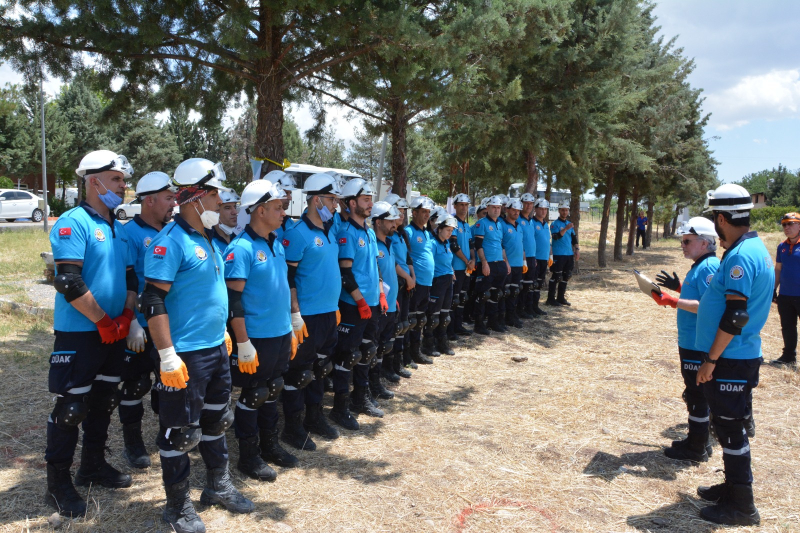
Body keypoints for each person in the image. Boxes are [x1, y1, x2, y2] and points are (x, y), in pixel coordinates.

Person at [144, 158, 253, 533]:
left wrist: (223, 331)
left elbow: (209, 294)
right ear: (197, 197)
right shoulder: (170, 242)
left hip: (214, 349)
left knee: (216, 420)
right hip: (184, 356)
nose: (223, 202)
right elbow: (153, 302)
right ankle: (177, 508)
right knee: (179, 432)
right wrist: (167, 356)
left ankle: (217, 486)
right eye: (217, 194)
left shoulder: (207, 238)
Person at [46, 150, 136, 517]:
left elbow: (130, 277)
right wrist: (102, 320)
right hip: (81, 333)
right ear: (93, 180)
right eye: (116, 179)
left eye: (123, 180)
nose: (122, 186)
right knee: (71, 408)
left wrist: (126, 316)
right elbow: (67, 281)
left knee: (104, 401)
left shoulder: (118, 226)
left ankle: (92, 466)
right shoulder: (73, 222)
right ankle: (57, 485)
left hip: (114, 333)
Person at [692, 183, 773, 526]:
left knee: (730, 429)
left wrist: (710, 360)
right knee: (728, 426)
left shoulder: (740, 256)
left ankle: (742, 505)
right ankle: (732, 488)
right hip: (738, 355)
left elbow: (736, 315)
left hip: (731, 357)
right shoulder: (753, 247)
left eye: (715, 219)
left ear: (722, 218)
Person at [225, 180, 300, 482]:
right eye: (279, 207)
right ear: (259, 210)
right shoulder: (241, 249)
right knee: (253, 394)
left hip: (279, 333)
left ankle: (271, 446)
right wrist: (243, 343)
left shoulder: (275, 243)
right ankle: (249, 456)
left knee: (273, 389)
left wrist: (292, 325)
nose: (284, 212)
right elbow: (234, 301)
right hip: (255, 337)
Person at [281, 172, 343, 452]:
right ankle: (292, 428)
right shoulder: (297, 233)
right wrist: (295, 312)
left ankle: (314, 417)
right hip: (307, 317)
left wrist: (336, 306)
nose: (335, 205)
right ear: (316, 199)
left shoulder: (329, 230)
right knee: (299, 373)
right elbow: (288, 277)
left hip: (329, 314)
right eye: (332, 199)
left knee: (320, 367)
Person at [119, 171, 177, 470]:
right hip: (140, 327)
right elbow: (125, 282)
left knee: (168, 385)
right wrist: (131, 321)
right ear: (149, 200)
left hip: (168, 325)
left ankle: (167, 437)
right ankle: (133, 442)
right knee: (134, 385)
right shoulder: (127, 234)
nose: (174, 204)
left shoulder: (173, 232)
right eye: (168, 198)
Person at [650, 217, 720, 462]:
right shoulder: (700, 266)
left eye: (687, 241)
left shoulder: (709, 267)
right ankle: (697, 440)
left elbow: (708, 306)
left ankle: (697, 448)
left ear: (704, 243)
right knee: (694, 393)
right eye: (682, 241)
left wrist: (672, 300)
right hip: (691, 340)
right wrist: (679, 287)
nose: (683, 245)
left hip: (696, 343)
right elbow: (700, 295)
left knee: (696, 394)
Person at [331, 178, 387, 428]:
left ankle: (360, 398)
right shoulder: (347, 234)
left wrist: (381, 293)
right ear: (351, 203)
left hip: (372, 303)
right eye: (366, 200)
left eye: (371, 200)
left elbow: (374, 265)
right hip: (354, 306)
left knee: (367, 351)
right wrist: (361, 302)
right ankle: (339, 409)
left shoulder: (370, 232)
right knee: (347, 356)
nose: (370, 204)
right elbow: (346, 274)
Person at [371, 201, 402, 398]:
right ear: (379, 222)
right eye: (390, 221)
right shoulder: (372, 243)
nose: (395, 224)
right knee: (371, 349)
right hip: (377, 306)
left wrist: (394, 298)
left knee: (383, 346)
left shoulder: (390, 242)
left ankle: (377, 383)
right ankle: (370, 387)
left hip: (391, 304)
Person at [385, 193, 416, 377]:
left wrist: (412, 276)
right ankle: (387, 367)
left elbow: (406, 258)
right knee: (394, 326)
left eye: (404, 211)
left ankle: (398, 363)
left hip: (406, 283)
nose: (402, 215)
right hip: (396, 283)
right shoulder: (387, 237)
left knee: (403, 324)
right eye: (399, 211)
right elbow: (394, 263)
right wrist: (407, 276)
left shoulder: (401, 235)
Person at [472, 195, 509, 334]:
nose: (496, 210)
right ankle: (478, 324)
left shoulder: (499, 224)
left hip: (500, 263)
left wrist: (506, 263)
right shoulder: (481, 223)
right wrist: (484, 263)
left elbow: (501, 245)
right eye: (493, 207)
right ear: (487, 208)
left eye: (498, 207)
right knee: (483, 294)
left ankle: (493, 322)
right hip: (488, 264)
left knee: (496, 294)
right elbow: (478, 245)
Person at [406, 196, 436, 363]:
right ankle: (407, 355)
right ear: (414, 212)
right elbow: (404, 257)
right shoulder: (409, 232)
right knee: (411, 321)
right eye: (423, 212)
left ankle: (416, 352)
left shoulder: (426, 233)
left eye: (428, 212)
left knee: (420, 320)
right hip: (415, 284)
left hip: (427, 283)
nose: (426, 215)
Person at [771, 212, 800, 366]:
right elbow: (778, 270)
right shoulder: (781, 246)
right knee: (787, 327)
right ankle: (788, 357)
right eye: (784, 224)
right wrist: (773, 290)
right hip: (785, 295)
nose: (786, 227)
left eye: (790, 223)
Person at [429, 211, 457, 355]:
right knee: (434, 316)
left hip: (448, 280)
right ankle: (428, 345)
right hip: (437, 281)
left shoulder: (447, 244)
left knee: (445, 316)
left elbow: (447, 261)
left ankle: (442, 344)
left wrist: (451, 271)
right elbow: (430, 264)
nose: (449, 233)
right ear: (439, 229)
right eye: (447, 230)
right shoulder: (433, 244)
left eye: (451, 231)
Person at [448, 193, 474, 340]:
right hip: (457, 266)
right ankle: (450, 330)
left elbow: (471, 245)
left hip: (467, 267)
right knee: (454, 299)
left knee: (462, 297)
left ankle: (458, 326)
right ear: (455, 206)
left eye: (466, 205)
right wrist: (466, 260)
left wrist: (473, 259)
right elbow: (454, 245)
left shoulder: (466, 225)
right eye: (461, 205)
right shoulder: (453, 222)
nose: (464, 208)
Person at [548, 200, 579, 306]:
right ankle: (550, 299)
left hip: (569, 254)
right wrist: (566, 229)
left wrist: (577, 249)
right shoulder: (555, 224)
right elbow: (556, 237)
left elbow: (574, 238)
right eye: (562, 210)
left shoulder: (569, 224)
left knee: (566, 276)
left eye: (566, 210)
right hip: (558, 254)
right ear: (559, 211)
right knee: (556, 277)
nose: (564, 212)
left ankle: (561, 298)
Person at [500, 198, 525, 329]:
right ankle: (502, 317)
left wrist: (524, 261)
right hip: (507, 265)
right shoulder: (502, 225)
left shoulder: (519, 227)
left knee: (515, 291)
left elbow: (521, 245)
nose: (516, 213)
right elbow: (500, 246)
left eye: (518, 210)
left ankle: (511, 316)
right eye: (513, 210)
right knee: (505, 292)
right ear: (507, 210)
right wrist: (506, 262)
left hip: (518, 264)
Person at [530, 198, 552, 316]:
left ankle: (536, 306)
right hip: (536, 258)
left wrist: (550, 255)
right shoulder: (532, 223)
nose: (543, 211)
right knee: (532, 284)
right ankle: (530, 307)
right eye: (541, 209)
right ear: (536, 209)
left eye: (545, 209)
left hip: (544, 258)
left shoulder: (546, 225)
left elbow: (548, 241)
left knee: (539, 283)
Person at [517, 193, 537, 319]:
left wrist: (533, 257)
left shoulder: (531, 221)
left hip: (531, 257)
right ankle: (519, 310)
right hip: (521, 258)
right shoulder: (518, 220)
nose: (528, 206)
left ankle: (528, 308)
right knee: (521, 285)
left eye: (530, 203)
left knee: (529, 284)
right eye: (526, 203)